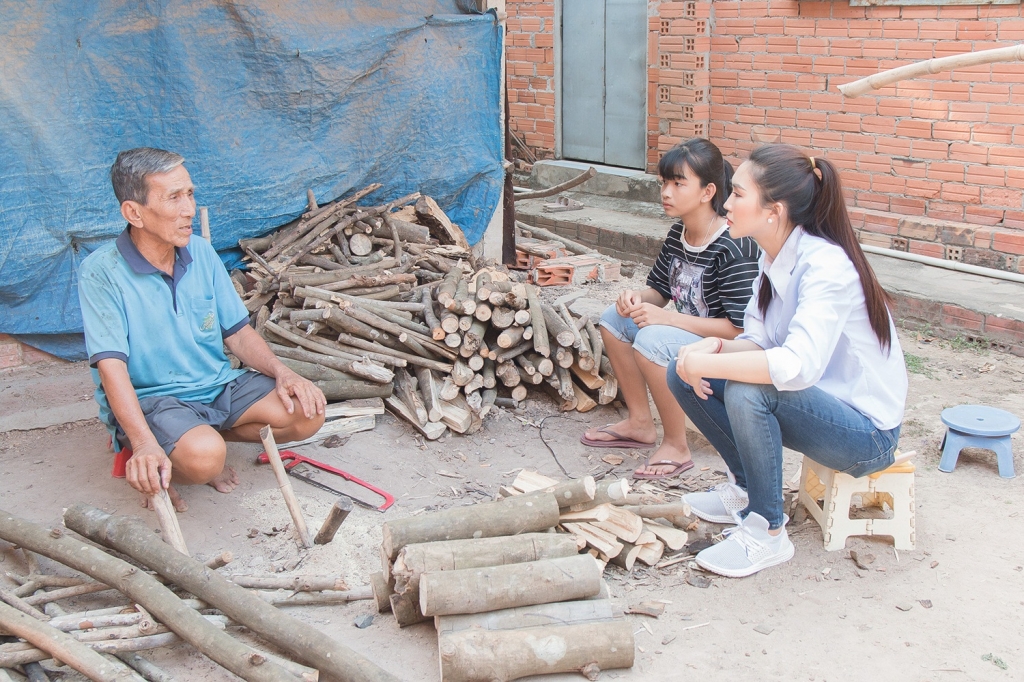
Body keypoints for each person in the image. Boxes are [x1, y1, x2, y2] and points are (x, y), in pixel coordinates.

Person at [669, 144, 908, 578]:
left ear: (773, 210)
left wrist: (714, 361)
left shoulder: (826, 267)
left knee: (750, 387)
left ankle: (767, 531)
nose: (726, 203)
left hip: (866, 435)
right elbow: (758, 341)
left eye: (737, 194)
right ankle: (745, 489)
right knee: (680, 369)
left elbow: (794, 367)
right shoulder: (772, 255)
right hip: (820, 407)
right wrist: (709, 350)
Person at [79, 147, 326, 511]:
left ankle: (193, 443)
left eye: (190, 194)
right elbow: (111, 368)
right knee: (205, 460)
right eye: (174, 198)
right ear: (134, 212)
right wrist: (143, 441)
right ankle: (161, 453)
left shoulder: (201, 252)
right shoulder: (101, 272)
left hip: (216, 385)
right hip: (156, 398)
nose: (189, 210)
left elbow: (238, 333)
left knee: (308, 412)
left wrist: (283, 372)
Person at [580, 138, 759, 480]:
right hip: (690, 339)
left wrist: (667, 319)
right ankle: (640, 423)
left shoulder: (733, 246)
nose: (666, 192)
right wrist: (634, 298)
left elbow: (740, 330)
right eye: (663, 183)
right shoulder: (679, 233)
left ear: (707, 192)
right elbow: (660, 292)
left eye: (678, 184)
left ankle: (676, 445)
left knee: (653, 339)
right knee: (613, 319)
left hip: (727, 355)